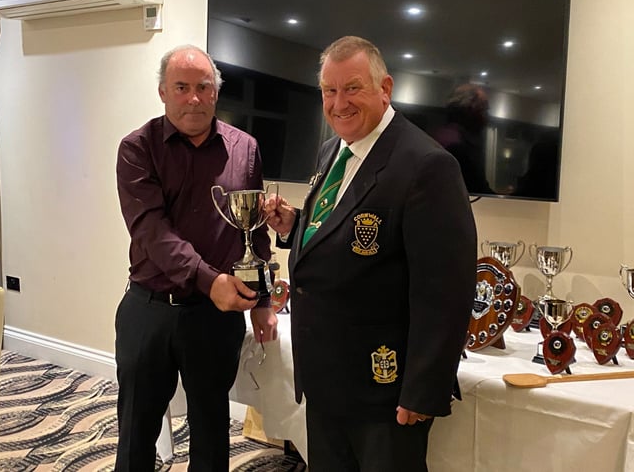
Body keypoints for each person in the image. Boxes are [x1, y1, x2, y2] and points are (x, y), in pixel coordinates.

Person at [264, 36, 477, 471]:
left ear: (386, 88)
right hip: (325, 379)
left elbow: (447, 291)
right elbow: (340, 231)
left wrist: (423, 388)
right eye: (329, 90)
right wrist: (294, 228)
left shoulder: (426, 164)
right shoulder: (332, 151)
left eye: (353, 87)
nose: (338, 102)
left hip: (383, 388)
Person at [114, 45, 278, 471]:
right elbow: (151, 231)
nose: (193, 98)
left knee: (211, 428)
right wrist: (211, 281)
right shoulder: (137, 148)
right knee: (136, 430)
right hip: (149, 310)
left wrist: (261, 301)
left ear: (215, 93)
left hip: (214, 317)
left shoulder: (245, 148)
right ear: (163, 92)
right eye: (181, 87)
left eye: (203, 87)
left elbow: (254, 229)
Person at [432, 83, 492, 194]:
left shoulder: (441, 136)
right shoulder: (457, 146)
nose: (486, 118)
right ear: (470, 110)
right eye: (483, 110)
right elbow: (477, 190)